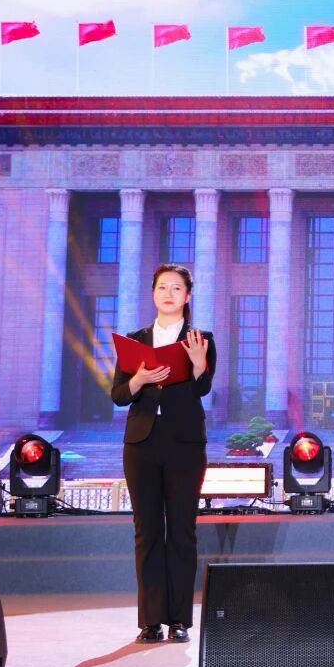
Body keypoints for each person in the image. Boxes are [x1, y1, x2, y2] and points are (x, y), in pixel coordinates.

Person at [111, 263, 215, 643]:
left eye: (176, 288)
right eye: (162, 287)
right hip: (141, 444)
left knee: (182, 531)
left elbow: (202, 390)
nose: (168, 294)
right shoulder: (134, 341)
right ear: (153, 294)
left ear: (188, 296)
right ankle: (151, 620)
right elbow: (118, 395)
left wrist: (199, 366)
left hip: (185, 445)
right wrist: (139, 379)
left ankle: (179, 619)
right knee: (148, 530)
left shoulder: (200, 339)